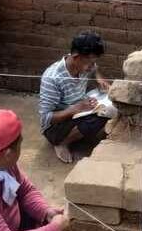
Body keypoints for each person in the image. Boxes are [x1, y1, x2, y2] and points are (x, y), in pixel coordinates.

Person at [38, 32, 111, 164]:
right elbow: (46, 118)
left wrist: (99, 78)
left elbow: (95, 69)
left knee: (109, 104)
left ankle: (79, 130)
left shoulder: (85, 65)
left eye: (94, 62)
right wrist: (75, 109)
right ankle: (62, 143)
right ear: (76, 57)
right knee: (97, 119)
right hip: (55, 127)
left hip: (78, 109)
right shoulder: (53, 78)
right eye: (90, 62)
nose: (92, 66)